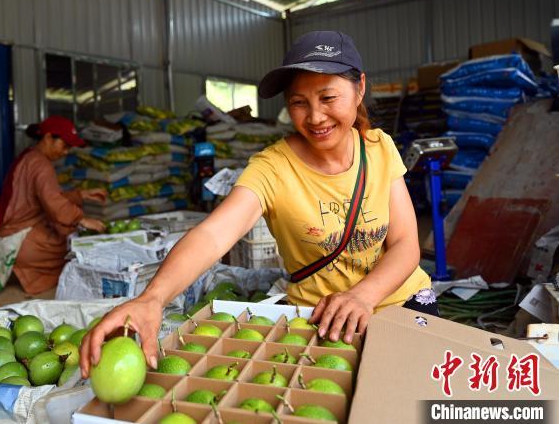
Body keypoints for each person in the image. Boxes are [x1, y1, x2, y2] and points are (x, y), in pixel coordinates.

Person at [80, 31, 436, 376]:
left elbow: (406, 244)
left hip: (401, 304)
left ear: (359, 87)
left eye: (328, 98)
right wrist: (152, 299)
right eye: (299, 103)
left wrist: (363, 296)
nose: (314, 117)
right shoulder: (272, 168)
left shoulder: (378, 148)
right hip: (324, 325)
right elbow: (212, 236)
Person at [0, 115, 106, 294]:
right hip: (17, 238)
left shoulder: (29, 156)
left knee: (65, 227)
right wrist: (82, 219)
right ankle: (27, 269)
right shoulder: (41, 165)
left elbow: (46, 197)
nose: (66, 152)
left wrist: (80, 195)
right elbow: (54, 204)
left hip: (7, 230)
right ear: (49, 138)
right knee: (69, 243)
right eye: (64, 146)